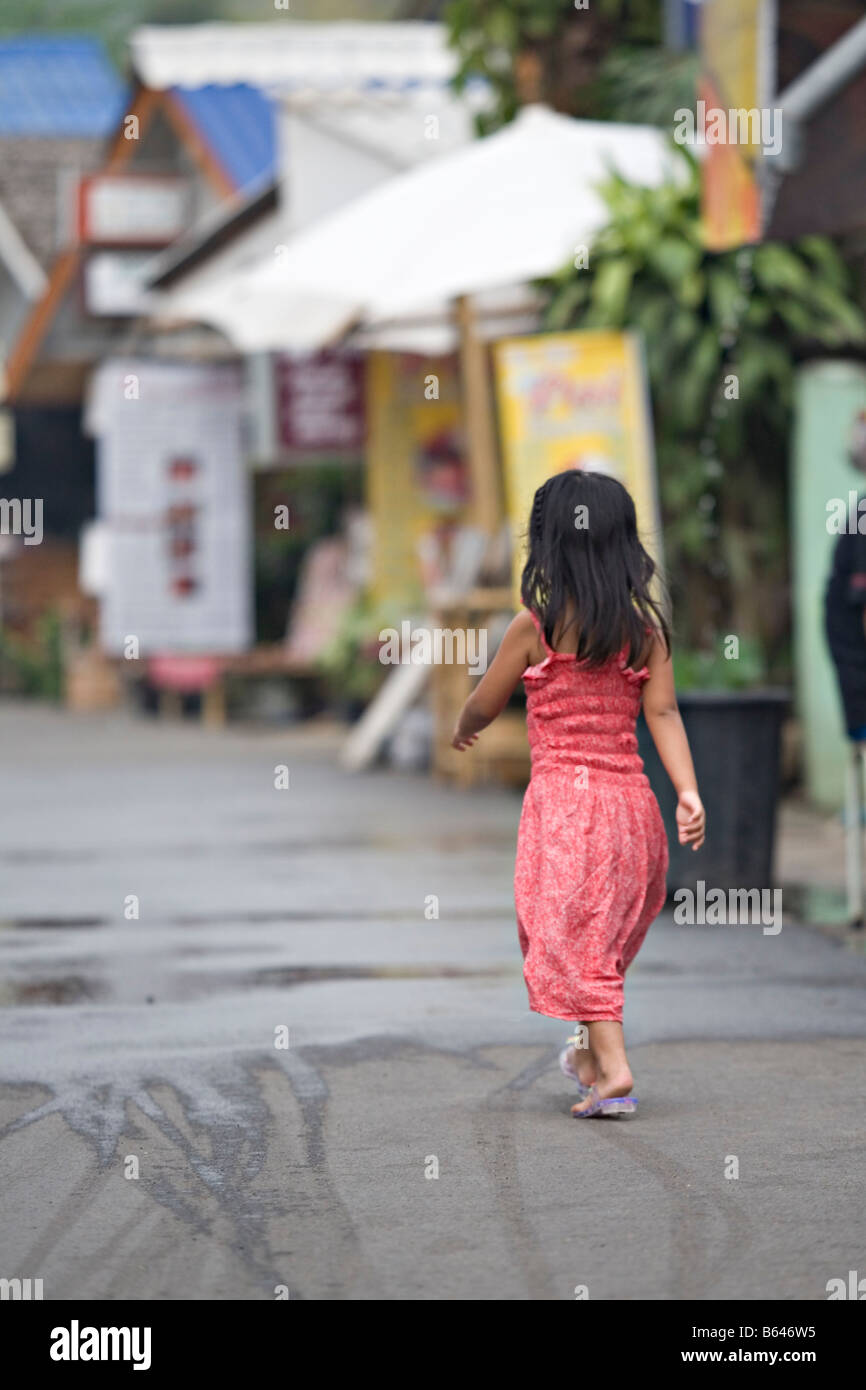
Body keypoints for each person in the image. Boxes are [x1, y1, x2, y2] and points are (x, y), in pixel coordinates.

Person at [451, 469, 705, 1118]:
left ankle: (616, 1067)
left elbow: (487, 699)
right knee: (599, 941)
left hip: (566, 808)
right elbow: (666, 716)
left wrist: (466, 725)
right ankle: (592, 1060)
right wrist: (687, 792)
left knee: (570, 939)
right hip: (632, 810)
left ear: (548, 545)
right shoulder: (645, 634)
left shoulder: (533, 629)